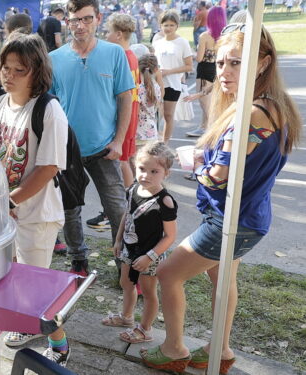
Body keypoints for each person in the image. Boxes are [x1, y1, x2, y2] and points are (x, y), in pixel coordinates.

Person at [142, 26, 302, 374]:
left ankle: (173, 350)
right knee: (222, 279)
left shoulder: (254, 113)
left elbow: (218, 175)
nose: (225, 72)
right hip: (246, 216)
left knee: (167, 274)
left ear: (263, 63)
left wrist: (192, 162)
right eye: (220, 62)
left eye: (236, 63)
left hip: (233, 220)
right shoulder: (270, 106)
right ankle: (222, 349)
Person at [0, 31, 71, 366]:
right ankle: (25, 325)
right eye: (5, 67)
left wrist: (11, 201)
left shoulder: (48, 110)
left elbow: (47, 168)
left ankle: (59, 343)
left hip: (37, 214)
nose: (9, 75)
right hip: (5, 213)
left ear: (37, 71)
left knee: (37, 286)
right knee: (11, 274)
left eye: (19, 69)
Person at [48, 0, 135, 276]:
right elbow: (49, 105)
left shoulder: (114, 53)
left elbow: (125, 99)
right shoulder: (55, 59)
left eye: (86, 19)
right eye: (74, 20)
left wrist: (119, 141)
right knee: (70, 209)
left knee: (117, 209)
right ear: (67, 22)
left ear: (98, 18)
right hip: (67, 149)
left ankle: (124, 263)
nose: (80, 26)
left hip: (104, 148)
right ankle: (78, 260)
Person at [102, 141, 177, 344]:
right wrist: (118, 241)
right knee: (126, 283)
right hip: (129, 249)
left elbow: (170, 236)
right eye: (142, 169)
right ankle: (126, 318)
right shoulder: (133, 189)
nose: (146, 175)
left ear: (166, 173)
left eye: (154, 171)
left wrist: (149, 256)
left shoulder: (165, 201)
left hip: (150, 255)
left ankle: (145, 329)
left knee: (149, 292)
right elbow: (127, 216)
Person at [105, 13, 141, 189]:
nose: (105, 36)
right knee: (125, 159)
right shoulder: (132, 55)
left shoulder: (122, 58)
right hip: (131, 113)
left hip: (125, 116)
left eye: (108, 32)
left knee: (122, 161)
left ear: (118, 34)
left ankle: (128, 201)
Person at [185, 6, 226, 137]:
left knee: (205, 103)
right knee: (208, 102)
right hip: (217, 69)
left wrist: (192, 53)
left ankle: (211, 129)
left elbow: (199, 58)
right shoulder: (225, 36)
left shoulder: (205, 36)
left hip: (204, 70)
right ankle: (203, 126)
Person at [152, 10, 193, 143]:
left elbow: (189, 66)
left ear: (177, 26)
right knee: (154, 115)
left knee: (168, 115)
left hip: (173, 84)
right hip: (156, 84)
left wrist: (169, 71)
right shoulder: (157, 42)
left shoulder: (182, 43)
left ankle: (164, 143)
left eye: (171, 25)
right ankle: (154, 142)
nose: (168, 28)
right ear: (161, 26)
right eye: (165, 25)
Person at [136, 54, 163, 146]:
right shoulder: (156, 88)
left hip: (138, 133)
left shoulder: (137, 89)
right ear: (156, 69)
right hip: (151, 130)